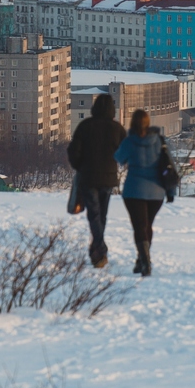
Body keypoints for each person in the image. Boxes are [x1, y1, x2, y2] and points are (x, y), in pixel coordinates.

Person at [67, 94, 127, 268]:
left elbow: (73, 151)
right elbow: (124, 154)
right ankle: (98, 250)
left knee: (94, 214)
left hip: (88, 177)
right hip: (108, 179)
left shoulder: (85, 126)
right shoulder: (117, 129)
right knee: (102, 215)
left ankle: (99, 250)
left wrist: (80, 166)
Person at [114, 109, 176, 277]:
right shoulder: (159, 141)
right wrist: (170, 191)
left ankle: (145, 262)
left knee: (139, 226)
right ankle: (141, 260)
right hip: (156, 192)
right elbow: (169, 166)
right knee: (147, 225)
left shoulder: (129, 141)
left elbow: (119, 158)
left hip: (134, 191)